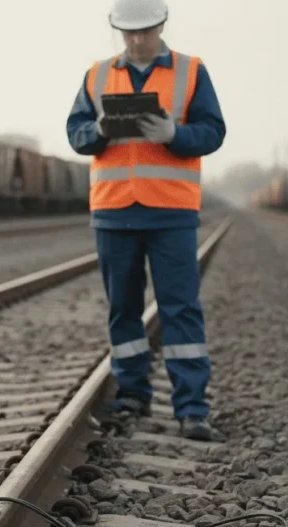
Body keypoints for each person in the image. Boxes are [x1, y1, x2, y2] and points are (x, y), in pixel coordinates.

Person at [65, 0, 226, 440]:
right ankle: (132, 394)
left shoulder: (192, 71)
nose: (137, 40)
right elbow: (76, 132)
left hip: (171, 211)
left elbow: (213, 131)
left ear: (161, 26)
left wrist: (175, 135)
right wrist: (99, 131)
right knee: (124, 311)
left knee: (180, 309)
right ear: (119, 31)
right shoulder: (97, 75)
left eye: (146, 32)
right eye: (129, 33)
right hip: (115, 211)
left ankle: (192, 407)